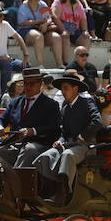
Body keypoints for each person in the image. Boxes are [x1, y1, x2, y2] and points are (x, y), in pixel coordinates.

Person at [34, 70, 102, 202]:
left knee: (68, 155)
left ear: (75, 88)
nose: (63, 92)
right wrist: (59, 141)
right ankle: (48, 190)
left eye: (66, 88)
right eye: (62, 89)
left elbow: (97, 121)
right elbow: (64, 132)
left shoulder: (87, 102)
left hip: (86, 146)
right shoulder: (65, 107)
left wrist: (83, 135)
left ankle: (63, 192)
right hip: (69, 144)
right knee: (46, 156)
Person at [0, 68, 61, 165]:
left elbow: (54, 128)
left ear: (40, 84)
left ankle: (16, 178)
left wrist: (33, 131)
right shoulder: (15, 102)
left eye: (32, 84)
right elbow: (0, 119)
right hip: (13, 144)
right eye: (26, 84)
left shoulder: (50, 104)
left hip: (38, 145)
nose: (28, 87)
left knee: (29, 150)